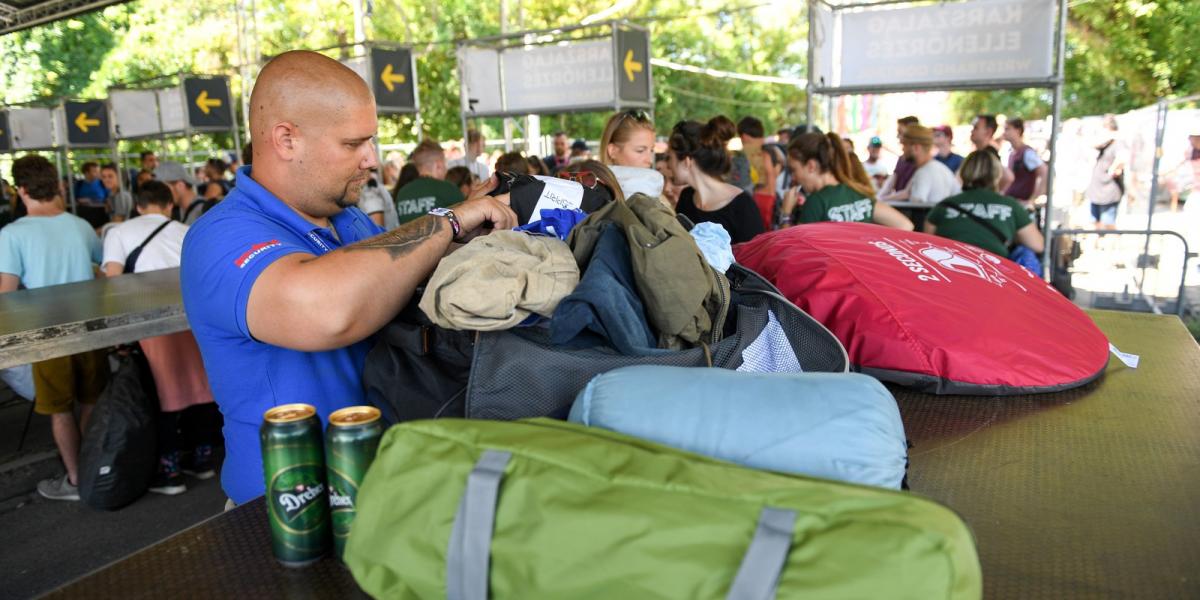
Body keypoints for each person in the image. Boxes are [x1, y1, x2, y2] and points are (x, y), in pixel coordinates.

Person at [180, 50, 517, 505]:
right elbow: (327, 310)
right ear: (286, 139)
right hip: (288, 505)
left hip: (379, 484)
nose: (371, 159)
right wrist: (447, 222)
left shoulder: (346, 217)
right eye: (352, 144)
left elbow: (391, 281)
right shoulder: (221, 235)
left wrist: (465, 239)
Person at [101, 180, 221, 495]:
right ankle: (204, 460)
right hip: (195, 319)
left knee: (164, 393)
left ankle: (169, 473)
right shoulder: (186, 230)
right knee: (201, 387)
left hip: (149, 323)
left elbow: (112, 282)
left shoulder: (118, 232)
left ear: (138, 206)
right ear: (169, 205)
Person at [0, 155, 108, 502]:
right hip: (91, 328)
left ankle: (76, 480)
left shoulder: (11, 234)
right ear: (57, 185)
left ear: (22, 190)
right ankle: (93, 469)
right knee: (91, 401)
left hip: (47, 333)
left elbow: (6, 292)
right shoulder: (79, 225)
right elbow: (100, 270)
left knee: (59, 409)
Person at [780, 132, 912, 230]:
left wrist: (785, 214)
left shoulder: (816, 202)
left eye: (794, 170)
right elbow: (905, 225)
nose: (793, 177)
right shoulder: (857, 192)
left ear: (811, 166)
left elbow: (790, 251)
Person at [925, 150, 1044, 258]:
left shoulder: (944, 206)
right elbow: (1038, 245)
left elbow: (927, 243)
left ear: (964, 172)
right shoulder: (1011, 206)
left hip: (947, 270)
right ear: (997, 174)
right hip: (992, 274)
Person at [668, 116, 765, 244]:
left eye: (670, 158)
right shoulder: (686, 198)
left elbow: (757, 259)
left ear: (686, 162)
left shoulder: (742, 206)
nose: (668, 165)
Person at [882, 125, 960, 205]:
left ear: (916, 148)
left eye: (904, 145)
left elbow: (917, 208)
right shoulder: (941, 169)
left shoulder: (924, 173)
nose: (902, 149)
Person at [392, 140, 464, 224]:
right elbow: (465, 221)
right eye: (445, 162)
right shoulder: (448, 189)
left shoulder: (402, 193)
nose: (446, 168)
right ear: (438, 165)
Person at [1085, 116, 1126, 231]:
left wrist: (1112, 169)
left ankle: (1109, 244)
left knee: (1108, 223)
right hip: (1097, 187)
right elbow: (1091, 144)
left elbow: (1122, 157)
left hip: (1109, 188)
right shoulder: (1103, 142)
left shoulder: (1118, 142)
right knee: (1095, 221)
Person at [1002, 117, 1048, 206]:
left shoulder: (1027, 153)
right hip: (1012, 202)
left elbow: (1044, 172)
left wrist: (1032, 200)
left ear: (1018, 131)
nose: (1004, 132)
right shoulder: (1011, 153)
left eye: (1007, 129)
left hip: (1021, 204)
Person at [877, 116, 920, 200]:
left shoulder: (921, 162)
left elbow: (907, 193)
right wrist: (877, 199)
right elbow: (889, 185)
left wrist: (881, 200)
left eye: (900, 132)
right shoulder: (902, 159)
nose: (898, 137)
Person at [969, 114, 1014, 192]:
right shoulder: (982, 152)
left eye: (976, 128)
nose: (972, 131)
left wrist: (993, 195)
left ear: (988, 131)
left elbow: (1008, 177)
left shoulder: (989, 154)